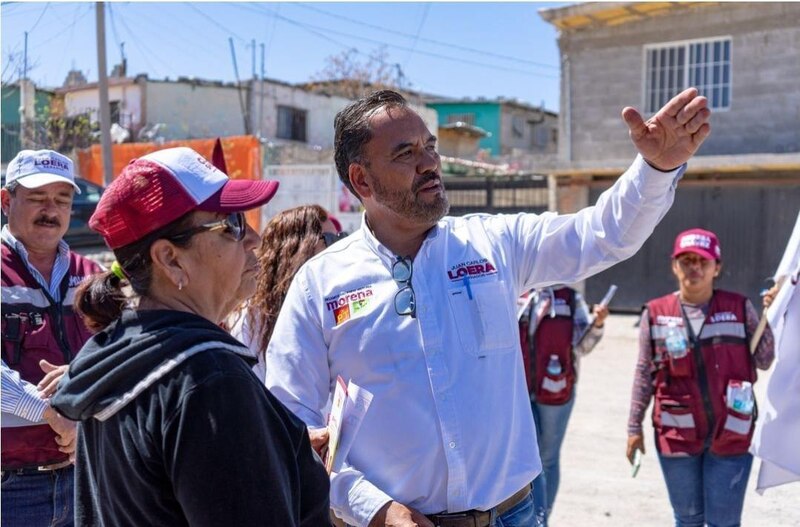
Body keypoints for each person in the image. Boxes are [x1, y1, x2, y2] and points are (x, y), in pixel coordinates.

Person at [266, 87, 711, 527]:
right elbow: (291, 430)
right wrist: (373, 509)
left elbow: (601, 236)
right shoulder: (320, 285)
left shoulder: (494, 243)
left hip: (512, 515)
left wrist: (655, 169)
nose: (429, 163)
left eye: (430, 147)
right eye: (405, 153)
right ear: (361, 179)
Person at [48, 147, 331, 526]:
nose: (254, 240)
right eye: (231, 223)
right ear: (170, 259)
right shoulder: (209, 378)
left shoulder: (120, 353)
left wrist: (277, 449)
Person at [626, 228, 775, 527]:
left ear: (716, 267)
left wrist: (772, 314)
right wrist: (633, 427)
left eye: (702, 261)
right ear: (674, 265)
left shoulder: (738, 308)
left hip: (733, 432)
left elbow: (764, 359)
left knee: (724, 522)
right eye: (686, 260)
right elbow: (644, 372)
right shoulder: (656, 313)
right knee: (688, 519)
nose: (694, 268)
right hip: (677, 435)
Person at [1, 149, 102, 527]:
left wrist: (83, 373)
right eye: (38, 198)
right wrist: (53, 414)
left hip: (85, 480)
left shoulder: (92, 276)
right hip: (9, 491)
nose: (52, 209)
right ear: (6, 200)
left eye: (62, 199)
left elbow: (126, 353)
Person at [518, 286, 608, 523]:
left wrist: (597, 325)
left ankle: (543, 516)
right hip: (520, 391)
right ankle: (536, 519)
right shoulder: (520, 293)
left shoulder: (570, 299)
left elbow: (584, 345)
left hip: (556, 392)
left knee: (548, 458)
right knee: (531, 458)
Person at [232, 204, 346, 382]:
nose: (339, 249)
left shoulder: (337, 304)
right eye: (330, 240)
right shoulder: (253, 319)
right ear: (298, 249)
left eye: (341, 238)